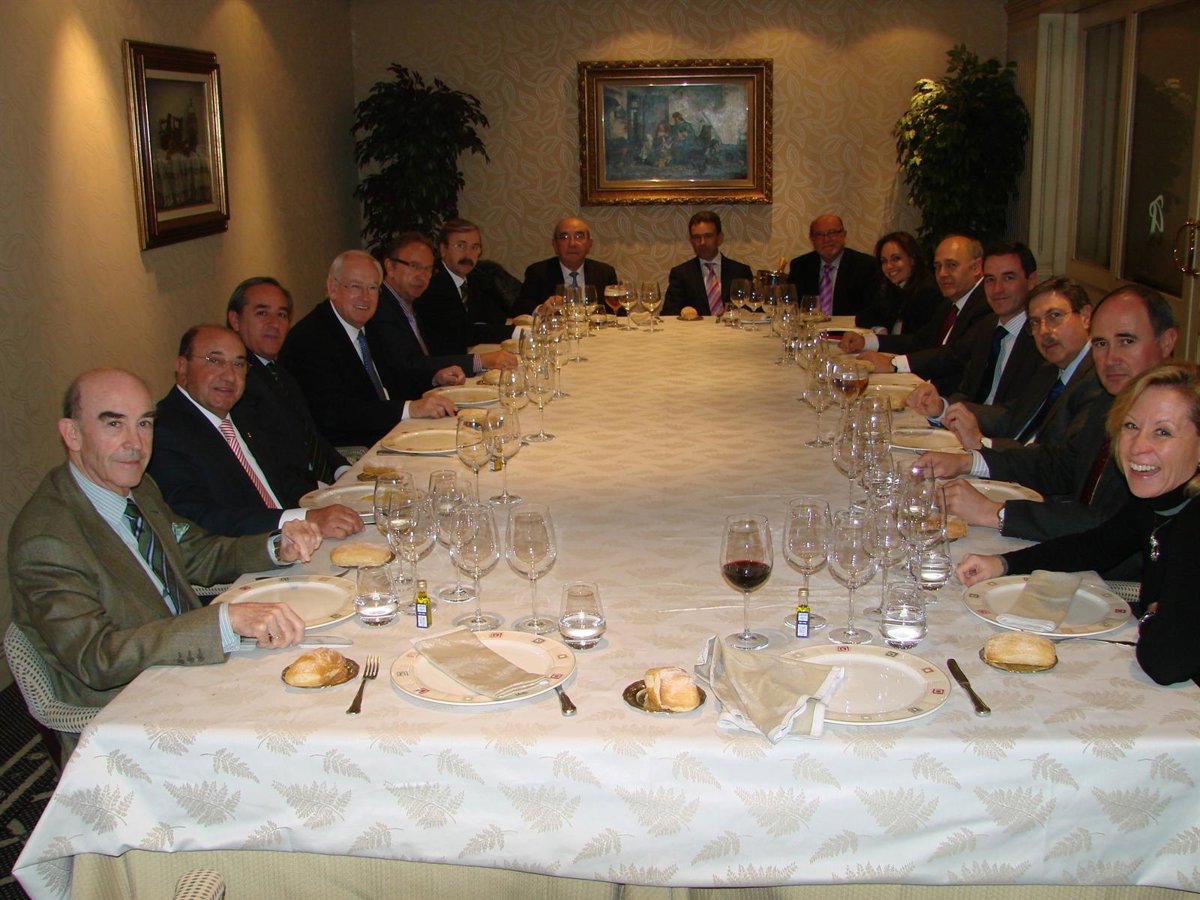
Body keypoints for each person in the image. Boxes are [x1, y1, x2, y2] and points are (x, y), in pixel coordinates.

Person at [8, 368, 322, 756]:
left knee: (323, 678)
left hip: (192, 666)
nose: (135, 443)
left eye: (144, 423)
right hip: (133, 712)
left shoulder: (137, 489)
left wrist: (277, 546)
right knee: (302, 732)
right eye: (114, 424)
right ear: (72, 434)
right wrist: (222, 621)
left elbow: (197, 553)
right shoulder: (47, 541)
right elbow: (98, 657)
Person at [957, 361, 1200, 687]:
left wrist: (1151, 615)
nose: (1138, 446)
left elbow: (1164, 662)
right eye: (1131, 426)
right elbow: (1095, 546)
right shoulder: (1160, 501)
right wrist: (1003, 563)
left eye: (1163, 432)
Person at [919, 285, 1178, 550]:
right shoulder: (1111, 399)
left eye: (1127, 341)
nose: (1111, 358)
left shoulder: (1176, 425)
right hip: (1074, 546)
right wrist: (971, 461)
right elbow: (1060, 466)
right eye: (1101, 344)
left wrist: (994, 512)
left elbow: (1111, 526)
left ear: (1167, 342)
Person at [149, 325, 364, 539]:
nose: (229, 376)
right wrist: (305, 518)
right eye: (215, 361)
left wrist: (337, 498)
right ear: (182, 366)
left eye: (238, 364)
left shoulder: (243, 414)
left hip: (300, 536)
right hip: (252, 551)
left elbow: (283, 477)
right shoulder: (164, 430)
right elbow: (201, 517)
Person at [279, 250, 457, 448]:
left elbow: (394, 373)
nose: (365, 298)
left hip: (391, 432)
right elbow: (336, 413)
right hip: (352, 448)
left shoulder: (368, 326)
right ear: (332, 288)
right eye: (356, 286)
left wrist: (434, 377)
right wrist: (408, 409)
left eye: (372, 288)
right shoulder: (309, 340)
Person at [940, 278, 1102, 452]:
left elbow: (1055, 459)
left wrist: (982, 444)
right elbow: (1009, 420)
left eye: (1054, 316)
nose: (1043, 331)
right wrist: (943, 408)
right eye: (1035, 322)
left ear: (1086, 317)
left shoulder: (1097, 382)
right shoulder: (1050, 369)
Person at [226, 276, 350, 486]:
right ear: (235, 320)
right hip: (294, 494)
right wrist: (320, 489)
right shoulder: (237, 381)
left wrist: (342, 469)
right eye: (262, 313)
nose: (274, 324)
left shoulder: (278, 370)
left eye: (282, 315)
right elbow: (268, 462)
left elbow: (310, 435)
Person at [906, 242, 1045, 420]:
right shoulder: (987, 327)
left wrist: (944, 409)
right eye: (990, 279)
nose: (997, 289)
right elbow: (966, 392)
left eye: (1008, 278)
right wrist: (939, 404)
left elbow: (1016, 415)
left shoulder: (1040, 340)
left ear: (1031, 280)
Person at [844, 234, 991, 394]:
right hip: (929, 388)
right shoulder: (951, 303)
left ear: (976, 267)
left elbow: (955, 355)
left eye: (951, 265)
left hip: (952, 397)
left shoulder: (985, 305)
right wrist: (867, 342)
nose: (942, 273)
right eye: (937, 266)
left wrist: (893, 363)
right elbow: (920, 341)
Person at [377, 230, 516, 376]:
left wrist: (437, 378)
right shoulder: (381, 309)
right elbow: (407, 366)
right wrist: (479, 361)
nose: (422, 276)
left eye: (428, 269)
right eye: (414, 266)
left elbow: (431, 355)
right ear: (390, 267)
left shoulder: (409, 303)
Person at [514, 216, 618, 315]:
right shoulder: (538, 272)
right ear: (555, 245)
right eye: (564, 237)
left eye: (579, 236)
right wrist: (542, 309)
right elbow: (521, 307)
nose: (572, 244)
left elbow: (617, 312)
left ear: (589, 244)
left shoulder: (605, 272)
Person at [786, 215, 882, 317]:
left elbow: (872, 310)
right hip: (812, 326)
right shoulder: (800, 266)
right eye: (819, 234)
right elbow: (791, 306)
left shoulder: (866, 266)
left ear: (844, 235)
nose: (826, 239)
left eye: (832, 233)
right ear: (812, 239)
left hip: (850, 327)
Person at [663, 211, 754, 317]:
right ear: (692, 241)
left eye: (708, 236)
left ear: (720, 238)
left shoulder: (740, 271)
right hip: (695, 327)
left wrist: (734, 313)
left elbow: (753, 309)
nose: (702, 242)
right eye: (697, 237)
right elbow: (669, 313)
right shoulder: (681, 274)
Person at [854, 231, 941, 335]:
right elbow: (863, 317)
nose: (889, 266)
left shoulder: (927, 292)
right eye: (884, 261)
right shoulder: (893, 288)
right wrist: (879, 329)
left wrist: (878, 340)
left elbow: (916, 340)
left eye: (896, 259)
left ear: (913, 259)